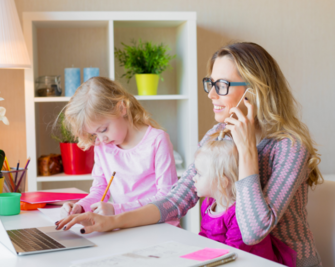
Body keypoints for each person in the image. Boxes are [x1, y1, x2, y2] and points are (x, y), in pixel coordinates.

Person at [56, 42, 323, 267]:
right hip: (237, 257)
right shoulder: (217, 136)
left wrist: (246, 150)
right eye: (211, 83)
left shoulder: (289, 147)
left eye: (222, 85)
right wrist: (111, 221)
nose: (210, 94)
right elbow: (175, 200)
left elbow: (253, 232)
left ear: (254, 91)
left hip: (282, 262)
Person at [59, 76, 179, 226]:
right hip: (124, 227)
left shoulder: (157, 140)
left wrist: (117, 210)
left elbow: (167, 199)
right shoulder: (102, 146)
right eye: (94, 134)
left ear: (122, 108)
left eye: (103, 130)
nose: (101, 139)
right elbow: (99, 190)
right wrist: (81, 206)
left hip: (160, 227)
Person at [194, 130, 296, 266]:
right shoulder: (207, 205)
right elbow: (204, 237)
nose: (194, 178)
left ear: (222, 182)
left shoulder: (239, 214)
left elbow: (233, 253)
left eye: (199, 174)